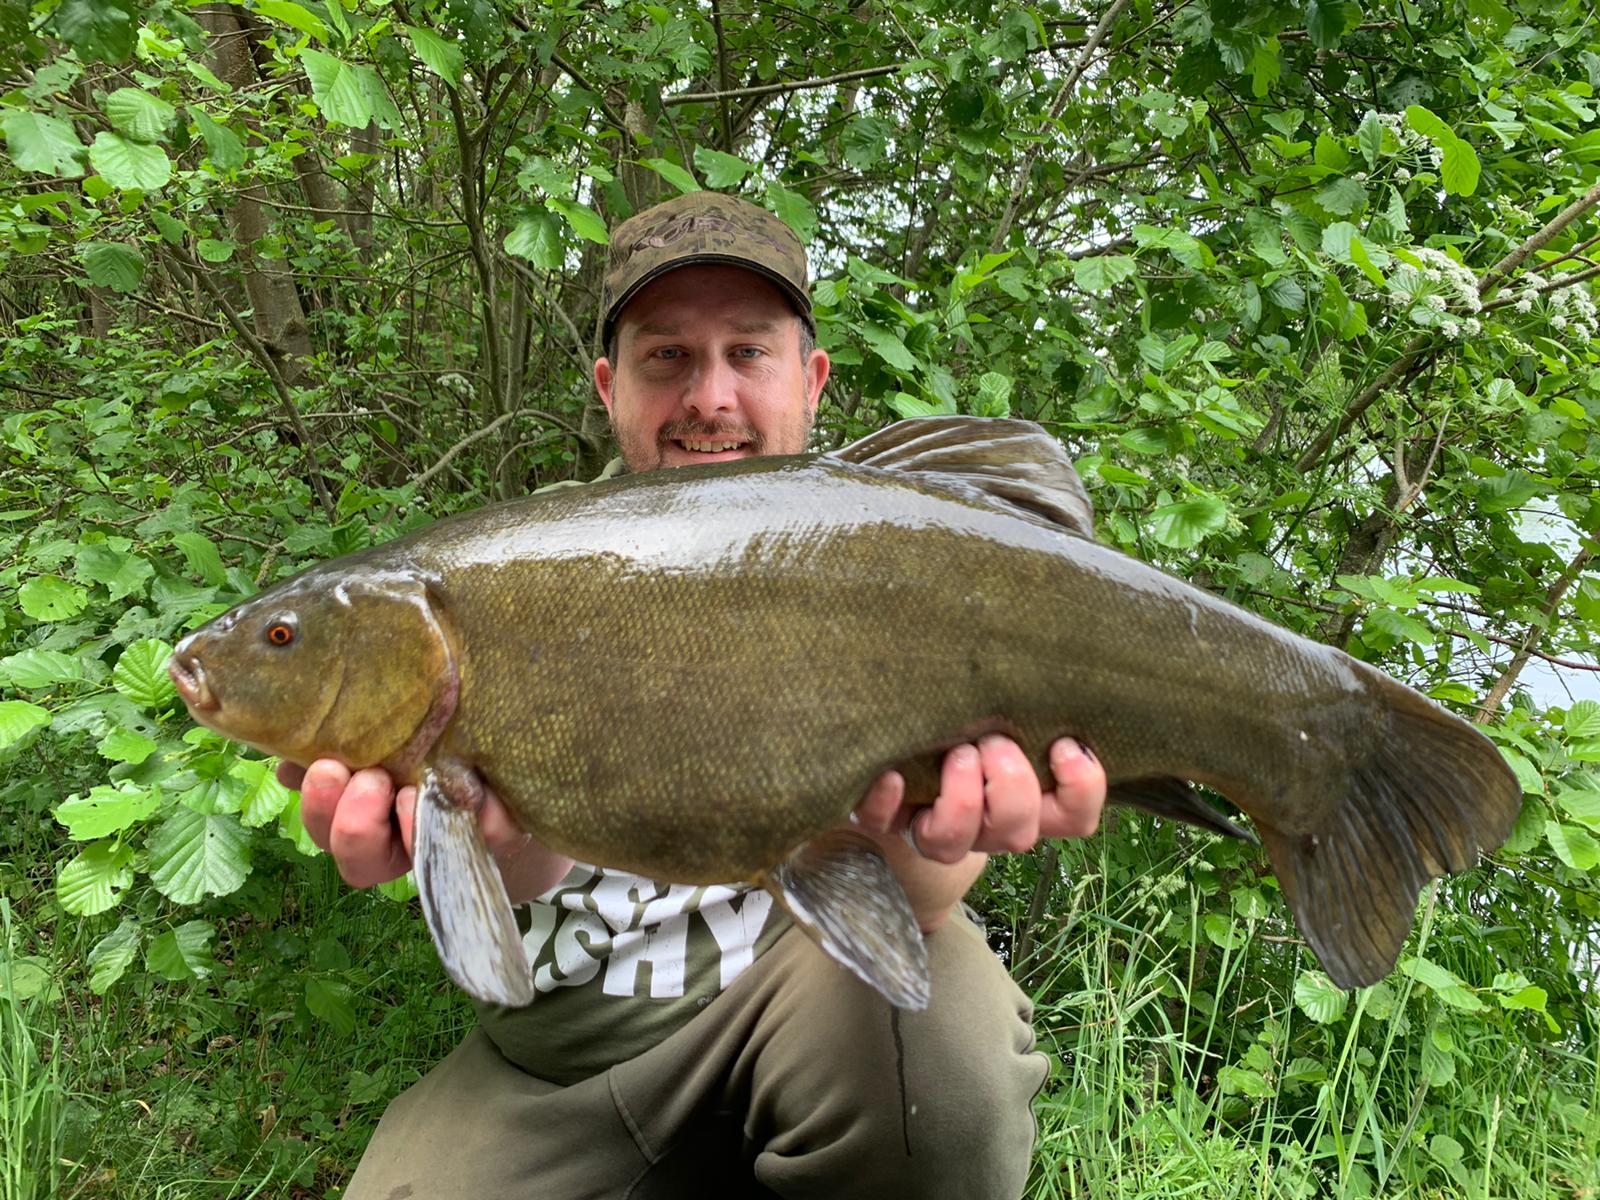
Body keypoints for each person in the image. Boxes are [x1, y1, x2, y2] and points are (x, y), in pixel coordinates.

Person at [277, 192, 1108, 1198]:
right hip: (564, 1044)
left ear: (810, 379)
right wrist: (499, 838)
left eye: (746, 354)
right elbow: (516, 888)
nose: (708, 396)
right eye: (666, 356)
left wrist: (925, 830)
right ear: (607, 386)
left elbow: (912, 904)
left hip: (813, 994)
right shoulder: (510, 565)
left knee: (944, 1056)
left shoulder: (900, 555)